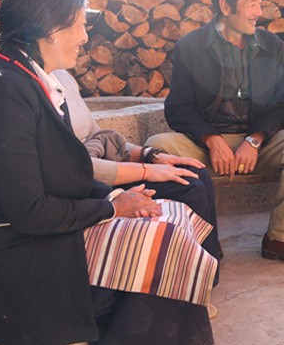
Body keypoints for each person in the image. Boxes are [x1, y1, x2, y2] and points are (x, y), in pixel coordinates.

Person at [0, 0, 213, 345]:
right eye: (80, 25)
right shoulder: (0, 92)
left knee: (167, 214)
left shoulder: (26, 79)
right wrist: (110, 207)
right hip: (5, 257)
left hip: (29, 237)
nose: (86, 38)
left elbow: (62, 175)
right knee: (157, 238)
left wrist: (125, 200)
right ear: (49, 29)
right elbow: (29, 211)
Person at [146, 0, 284, 267]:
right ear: (225, 6)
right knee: (158, 146)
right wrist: (211, 139)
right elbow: (178, 107)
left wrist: (254, 140)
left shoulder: (270, 45)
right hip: (206, 147)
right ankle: (201, 238)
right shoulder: (191, 46)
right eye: (252, 4)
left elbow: (281, 106)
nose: (259, 12)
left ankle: (280, 239)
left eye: (260, 3)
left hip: (259, 145)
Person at [53, 68, 221, 319]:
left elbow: (98, 135)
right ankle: (185, 293)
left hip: (101, 165)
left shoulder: (61, 77)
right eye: (78, 30)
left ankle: (202, 278)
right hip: (88, 184)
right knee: (190, 189)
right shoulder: (33, 91)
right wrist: (145, 171)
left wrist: (151, 155)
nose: (81, 44)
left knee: (193, 175)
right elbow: (73, 167)